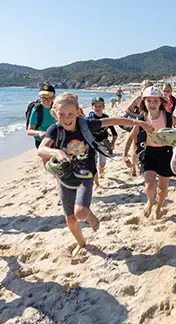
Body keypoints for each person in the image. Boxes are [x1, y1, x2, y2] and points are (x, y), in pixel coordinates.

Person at [38, 93, 152, 256]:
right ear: (55, 113)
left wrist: (138, 122)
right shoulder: (55, 129)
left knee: (80, 212)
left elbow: (113, 120)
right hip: (65, 178)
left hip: (85, 175)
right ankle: (81, 242)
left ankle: (89, 215)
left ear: (78, 112)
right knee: (70, 218)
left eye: (70, 113)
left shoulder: (86, 125)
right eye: (61, 114)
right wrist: (55, 152)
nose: (66, 118)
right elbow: (41, 150)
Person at [123, 86, 176, 219]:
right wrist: (125, 155)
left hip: (166, 153)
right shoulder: (141, 119)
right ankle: (150, 201)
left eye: (155, 101)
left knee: (163, 188)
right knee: (149, 185)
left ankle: (158, 208)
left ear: (161, 102)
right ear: (144, 102)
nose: (152, 104)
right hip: (148, 153)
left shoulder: (169, 118)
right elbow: (130, 137)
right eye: (149, 101)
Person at [123, 80, 153, 176]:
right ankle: (134, 169)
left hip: (148, 122)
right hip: (138, 123)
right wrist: (138, 116)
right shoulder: (138, 99)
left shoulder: (152, 98)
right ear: (142, 90)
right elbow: (127, 110)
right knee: (135, 146)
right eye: (145, 89)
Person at [88, 96, 117, 187]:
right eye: (95, 106)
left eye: (100, 106)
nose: (98, 108)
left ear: (103, 107)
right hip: (92, 143)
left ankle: (101, 171)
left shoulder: (106, 118)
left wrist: (112, 143)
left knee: (102, 163)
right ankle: (96, 183)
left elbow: (114, 133)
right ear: (92, 107)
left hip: (104, 143)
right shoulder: (89, 119)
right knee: (93, 163)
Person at [27, 84, 57, 149]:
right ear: (39, 97)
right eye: (43, 98)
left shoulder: (57, 107)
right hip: (41, 140)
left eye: (49, 98)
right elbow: (29, 131)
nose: (46, 101)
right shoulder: (37, 109)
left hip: (55, 138)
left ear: (54, 97)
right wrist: (39, 133)